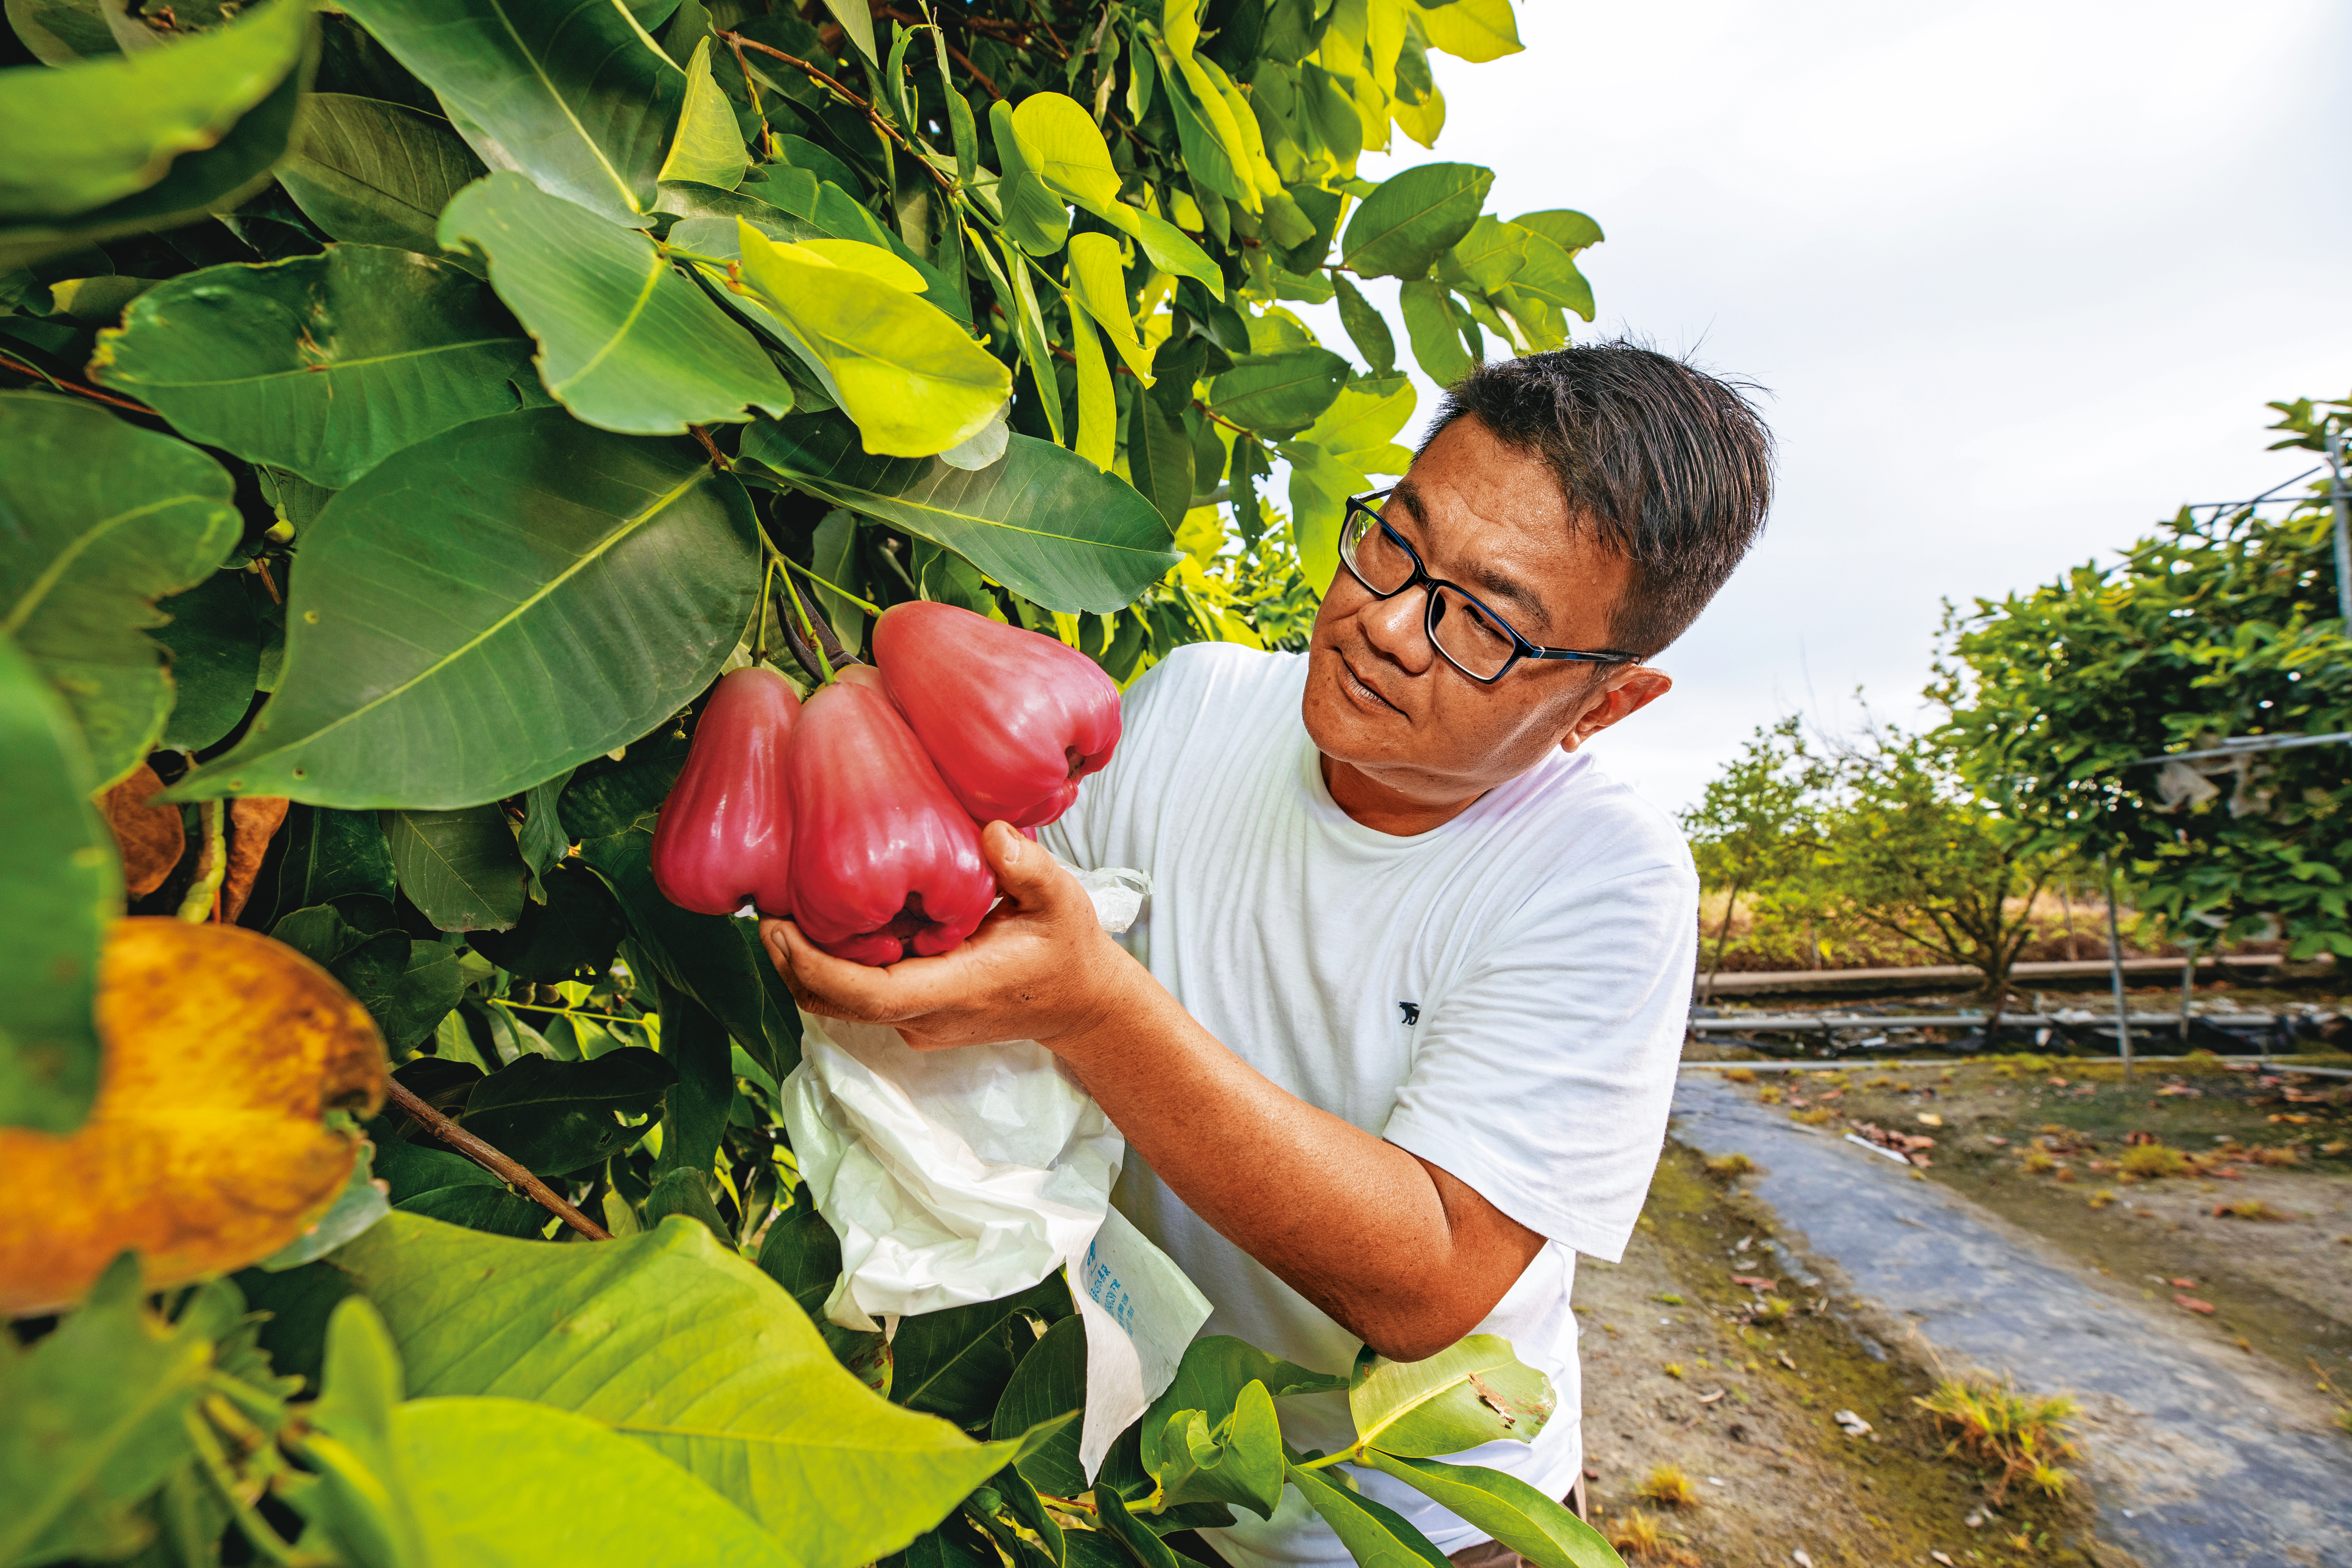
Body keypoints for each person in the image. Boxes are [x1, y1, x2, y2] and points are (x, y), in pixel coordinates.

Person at [762, 343, 1774, 1568]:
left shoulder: (1604, 879)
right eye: (1394, 541)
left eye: (1488, 626)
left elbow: (1432, 1276)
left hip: (1420, 1522)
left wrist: (1090, 1009)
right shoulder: (1193, 701)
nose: (1389, 624)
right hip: (1154, 1473)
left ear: (1607, 703)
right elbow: (989, 917)